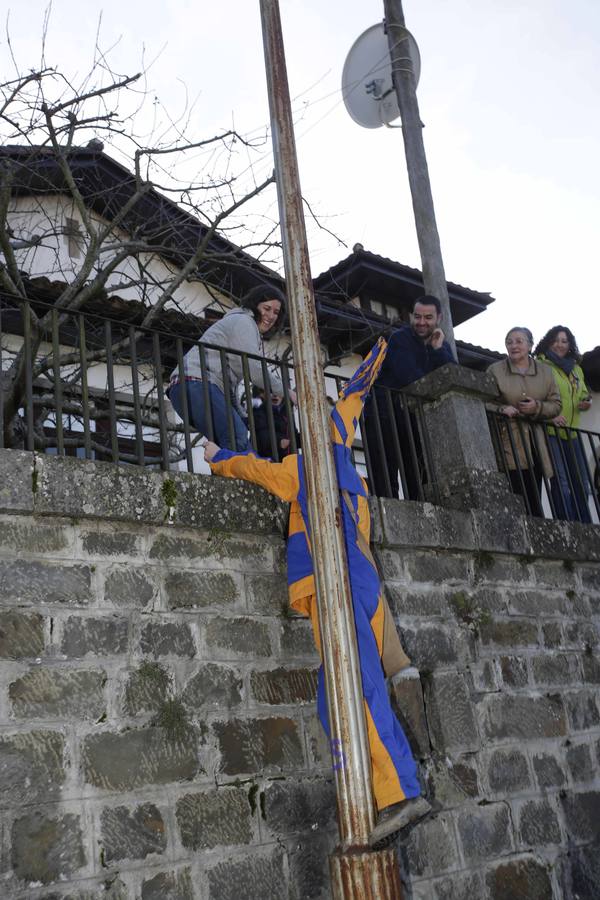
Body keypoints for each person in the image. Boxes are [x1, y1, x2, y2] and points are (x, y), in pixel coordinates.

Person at [204, 339, 429, 846]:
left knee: (357, 688)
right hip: (351, 584)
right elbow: (354, 398)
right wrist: (378, 352)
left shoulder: (305, 467)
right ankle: (371, 795)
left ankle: (400, 792)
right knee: (336, 699)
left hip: (340, 582)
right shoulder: (338, 462)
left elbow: (253, 467)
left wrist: (218, 457)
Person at [167, 284, 296, 451]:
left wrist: (241, 415)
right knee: (237, 436)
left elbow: (229, 384)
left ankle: (225, 474)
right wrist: (288, 392)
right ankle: (237, 477)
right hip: (195, 384)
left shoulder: (242, 327)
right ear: (254, 305)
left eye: (276, 312)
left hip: (185, 389)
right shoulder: (244, 322)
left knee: (229, 443)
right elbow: (255, 370)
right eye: (267, 308)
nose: (271, 316)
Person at [364, 295, 455, 499]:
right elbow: (412, 378)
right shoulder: (399, 338)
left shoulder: (441, 345)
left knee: (418, 481)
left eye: (428, 317)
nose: (421, 322)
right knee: (385, 483)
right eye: (417, 316)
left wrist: (438, 349)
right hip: (383, 416)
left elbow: (452, 378)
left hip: (412, 421)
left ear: (439, 318)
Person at [488, 327, 561, 517]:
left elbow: (556, 405)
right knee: (515, 495)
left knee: (535, 496)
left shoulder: (546, 372)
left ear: (530, 345)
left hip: (536, 443)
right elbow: (483, 401)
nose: (513, 345)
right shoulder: (495, 370)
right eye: (509, 341)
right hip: (508, 440)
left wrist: (536, 407)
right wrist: (501, 409)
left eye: (519, 341)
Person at [534, 326, 592, 522]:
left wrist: (587, 402)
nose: (560, 344)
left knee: (582, 483)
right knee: (562, 481)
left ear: (570, 345)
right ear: (548, 342)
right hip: (551, 430)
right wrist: (550, 416)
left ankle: (585, 525)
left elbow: (583, 393)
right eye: (556, 340)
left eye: (564, 341)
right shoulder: (542, 366)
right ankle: (567, 524)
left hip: (573, 431)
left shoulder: (576, 369)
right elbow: (538, 395)